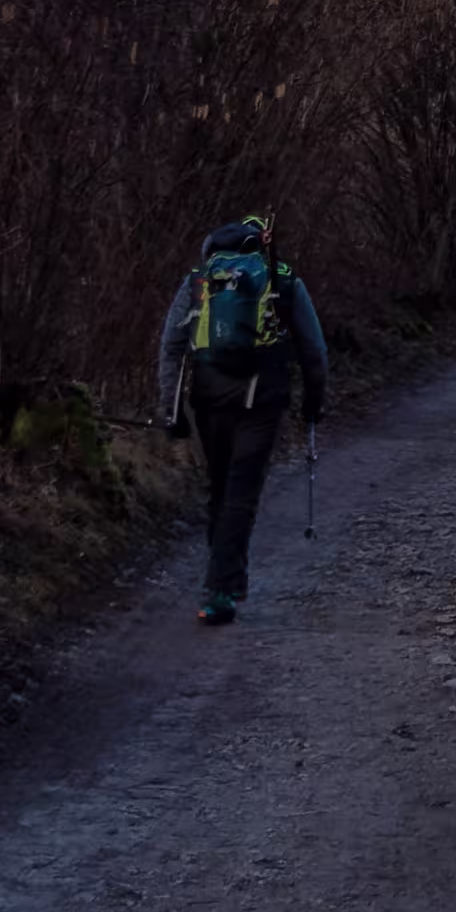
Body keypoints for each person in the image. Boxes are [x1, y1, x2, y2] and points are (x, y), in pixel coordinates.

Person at [151, 213, 332, 626]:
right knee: (242, 493)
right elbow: (315, 353)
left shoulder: (198, 280)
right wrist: (314, 404)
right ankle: (221, 588)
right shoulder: (282, 279)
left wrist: (170, 408)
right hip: (262, 400)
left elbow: (171, 346)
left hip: (209, 398)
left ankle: (223, 582)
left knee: (220, 488)